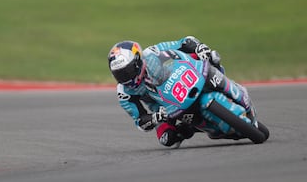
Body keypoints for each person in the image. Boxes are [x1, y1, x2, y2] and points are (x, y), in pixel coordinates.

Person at [107, 36, 255, 148]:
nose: (126, 78)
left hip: (182, 79)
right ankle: (189, 128)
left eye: (128, 71)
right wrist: (155, 117)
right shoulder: (125, 93)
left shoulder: (152, 52)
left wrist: (200, 48)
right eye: (120, 75)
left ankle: (235, 90)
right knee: (167, 140)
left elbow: (185, 42)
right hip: (164, 109)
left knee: (212, 57)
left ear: (138, 61)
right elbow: (140, 121)